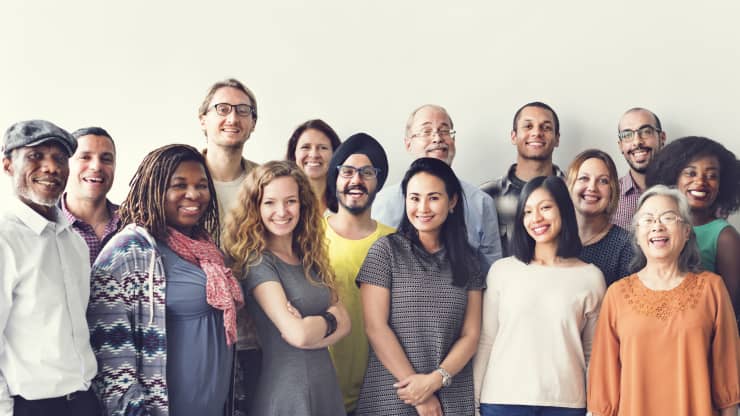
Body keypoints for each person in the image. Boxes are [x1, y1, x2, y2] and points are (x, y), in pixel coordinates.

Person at [87, 144, 244, 416]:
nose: (193, 194)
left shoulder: (205, 248)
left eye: (201, 185)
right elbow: (112, 360)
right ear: (155, 189)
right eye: (179, 185)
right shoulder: (128, 252)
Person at [588, 185, 740, 416]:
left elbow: (727, 374)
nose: (657, 226)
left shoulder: (712, 289)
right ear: (637, 235)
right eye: (647, 220)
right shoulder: (617, 295)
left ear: (687, 231)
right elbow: (604, 386)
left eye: (668, 218)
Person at [357, 157, 484, 416]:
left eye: (433, 197)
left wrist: (434, 381)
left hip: (450, 393)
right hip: (393, 392)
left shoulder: (469, 261)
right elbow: (375, 327)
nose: (422, 207)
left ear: (453, 202)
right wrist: (419, 394)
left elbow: (470, 335)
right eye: (414, 198)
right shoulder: (386, 251)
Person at [222, 161, 350, 416]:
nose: (281, 211)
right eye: (269, 202)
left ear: (302, 204)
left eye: (290, 201)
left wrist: (320, 324)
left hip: (325, 386)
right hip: (286, 393)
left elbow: (347, 322)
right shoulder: (257, 262)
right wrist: (331, 318)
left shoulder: (310, 257)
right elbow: (298, 335)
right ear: (255, 207)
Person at [473, 176, 605, 416]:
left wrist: (594, 408)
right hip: (503, 401)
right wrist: (474, 401)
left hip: (566, 403)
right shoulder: (502, 271)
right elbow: (487, 339)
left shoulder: (591, 277)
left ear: (563, 211)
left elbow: (593, 352)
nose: (536, 219)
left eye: (545, 208)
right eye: (527, 211)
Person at [0, 120, 100, 416]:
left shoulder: (74, 242)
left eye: (59, 159)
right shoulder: (5, 239)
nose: (51, 168)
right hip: (30, 406)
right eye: (36, 156)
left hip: (83, 401)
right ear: (7, 165)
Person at [373, 104, 502, 271]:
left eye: (444, 131)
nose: (437, 138)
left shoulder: (481, 202)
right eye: (426, 132)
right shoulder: (382, 203)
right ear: (408, 144)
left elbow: (491, 273)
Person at [197, 78, 261, 413]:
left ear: (252, 124)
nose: (232, 118)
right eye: (222, 109)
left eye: (242, 111)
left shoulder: (266, 182)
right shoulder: (181, 178)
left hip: (255, 335)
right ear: (203, 119)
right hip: (197, 332)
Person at [323, 132, 395, 414]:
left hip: (377, 390)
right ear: (335, 177)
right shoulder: (307, 236)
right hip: (320, 386)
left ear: (378, 182)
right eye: (347, 171)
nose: (356, 180)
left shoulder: (396, 242)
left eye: (367, 172)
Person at [646, 136, 740, 322]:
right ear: (674, 177)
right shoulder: (656, 228)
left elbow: (730, 308)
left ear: (722, 185)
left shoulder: (725, 237)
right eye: (690, 173)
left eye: (712, 175)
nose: (701, 182)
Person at [480, 101, 565, 257]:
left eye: (546, 127)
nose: (536, 133)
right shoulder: (487, 195)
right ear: (514, 136)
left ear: (557, 138)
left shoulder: (574, 191)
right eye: (528, 126)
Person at [566, 149, 632, 286]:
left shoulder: (627, 246)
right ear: (570, 185)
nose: (592, 187)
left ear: (612, 191)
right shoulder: (552, 237)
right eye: (584, 178)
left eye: (603, 181)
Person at [61, 127, 121, 265]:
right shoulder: (44, 226)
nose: (96, 166)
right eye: (85, 157)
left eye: (106, 159)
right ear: (65, 164)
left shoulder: (135, 223)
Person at [612, 107, 666, 229]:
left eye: (646, 131)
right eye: (627, 135)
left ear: (662, 138)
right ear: (620, 146)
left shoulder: (681, 190)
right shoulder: (609, 195)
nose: (637, 142)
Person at [286, 119, 342, 214]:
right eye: (306, 147)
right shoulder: (283, 206)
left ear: (335, 154)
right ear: (294, 153)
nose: (314, 154)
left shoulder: (346, 203)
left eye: (322, 148)